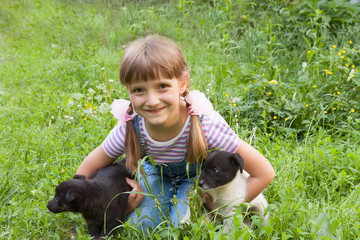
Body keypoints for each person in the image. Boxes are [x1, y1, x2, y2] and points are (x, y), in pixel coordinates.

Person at [76, 35, 275, 231]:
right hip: (157, 176)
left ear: (182, 83)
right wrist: (121, 205)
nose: (152, 100)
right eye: (139, 90)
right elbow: (83, 173)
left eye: (162, 86)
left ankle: (208, 217)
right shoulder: (131, 127)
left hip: (197, 179)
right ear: (127, 91)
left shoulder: (204, 124)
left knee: (183, 226)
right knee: (140, 225)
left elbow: (264, 172)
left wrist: (222, 208)